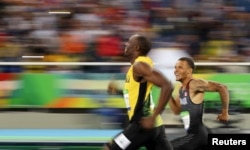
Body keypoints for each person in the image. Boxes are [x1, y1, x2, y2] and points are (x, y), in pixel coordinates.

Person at [104, 34, 173, 150]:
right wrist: (117, 91)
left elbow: (167, 85)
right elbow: (135, 96)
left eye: (129, 42)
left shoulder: (139, 65)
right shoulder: (136, 68)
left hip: (141, 125)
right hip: (155, 126)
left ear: (136, 48)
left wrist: (154, 116)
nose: (125, 44)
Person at [169, 57, 230, 150]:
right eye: (175, 67)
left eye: (180, 67)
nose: (175, 70)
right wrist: (168, 94)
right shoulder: (182, 89)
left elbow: (222, 87)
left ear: (189, 71)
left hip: (197, 136)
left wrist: (224, 112)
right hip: (197, 134)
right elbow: (176, 110)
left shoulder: (194, 83)